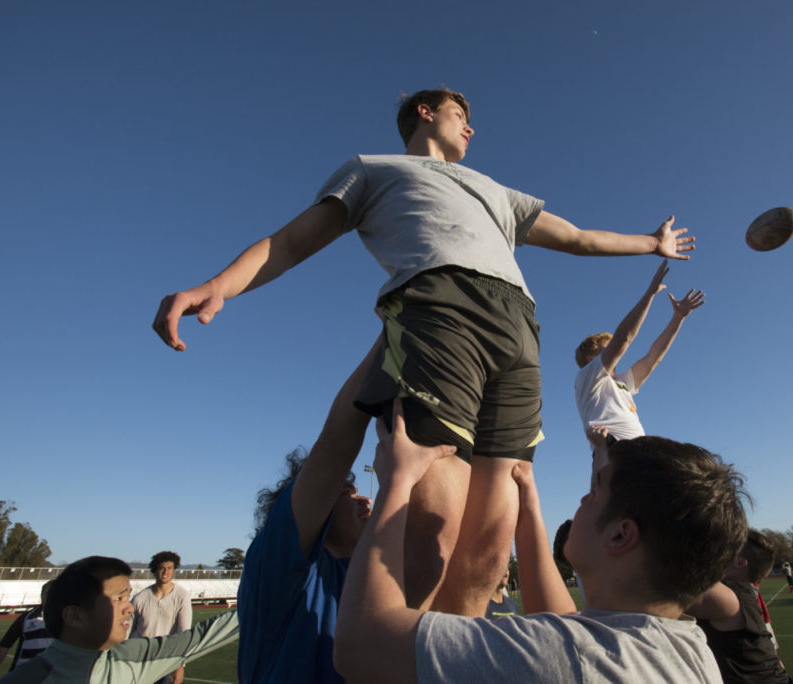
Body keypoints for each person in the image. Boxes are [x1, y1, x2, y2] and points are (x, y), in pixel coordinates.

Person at [153, 87, 697, 617]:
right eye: (460, 112)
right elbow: (292, 240)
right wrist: (221, 284)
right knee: (437, 521)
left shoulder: (495, 190)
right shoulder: (372, 168)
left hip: (520, 328)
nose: (471, 125)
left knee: (489, 543)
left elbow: (577, 237)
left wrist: (651, 243)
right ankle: (397, 657)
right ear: (424, 112)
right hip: (440, 307)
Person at [333, 402, 748, 683]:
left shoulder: (568, 660)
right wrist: (528, 507)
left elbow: (362, 643)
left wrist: (397, 482)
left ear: (621, 535)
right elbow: (567, 621)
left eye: (596, 491)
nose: (583, 499)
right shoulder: (690, 650)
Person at [235, 349, 373, 683]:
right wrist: (391, 338)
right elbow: (335, 447)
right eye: (347, 494)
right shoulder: (278, 565)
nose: (364, 501)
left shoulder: (363, 576)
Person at [0, 556, 237, 684]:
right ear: (74, 615)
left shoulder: (133, 655)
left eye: (128, 596)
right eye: (119, 598)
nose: (129, 608)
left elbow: (199, 638)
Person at [574, 260, 705, 470]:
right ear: (590, 358)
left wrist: (678, 318)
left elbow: (654, 357)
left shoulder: (621, 384)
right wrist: (650, 293)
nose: (613, 353)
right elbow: (624, 338)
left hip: (638, 455)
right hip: (614, 456)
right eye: (606, 348)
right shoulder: (588, 379)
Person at [688, 531, 793, 683]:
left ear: (739, 562)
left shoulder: (730, 596)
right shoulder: (744, 594)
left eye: (722, 549)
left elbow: (663, 588)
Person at [130, 551, 192, 684]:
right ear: (155, 570)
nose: (165, 572)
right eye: (162, 568)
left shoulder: (182, 596)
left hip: (163, 660)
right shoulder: (139, 598)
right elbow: (127, 631)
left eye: (169, 568)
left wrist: (180, 666)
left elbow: (184, 633)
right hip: (138, 659)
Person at [0, 582, 53, 682]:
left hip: (50, 675)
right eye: (46, 593)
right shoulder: (26, 618)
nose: (48, 597)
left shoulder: (66, 619)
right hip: (23, 674)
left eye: (52, 593)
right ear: (41, 595)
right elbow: (5, 645)